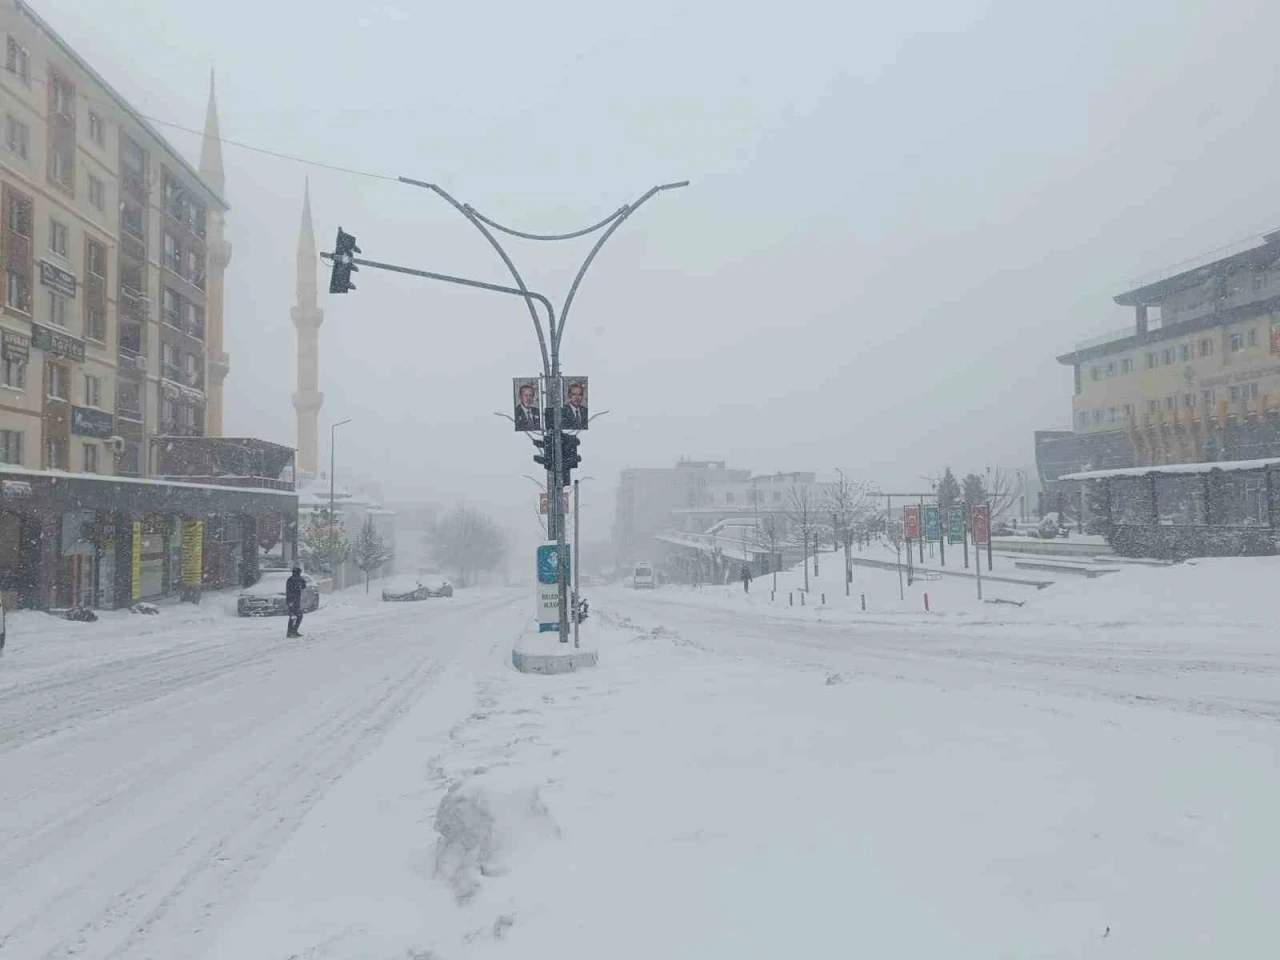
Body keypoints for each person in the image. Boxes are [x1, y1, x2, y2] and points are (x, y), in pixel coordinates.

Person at [285, 565, 305, 638]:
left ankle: (292, 631)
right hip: (292, 601)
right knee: (296, 616)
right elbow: (291, 591)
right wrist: (291, 602)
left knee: (294, 616)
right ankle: (292, 631)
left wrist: (302, 581)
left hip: (294, 600)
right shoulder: (293, 580)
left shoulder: (293, 579)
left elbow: (303, 587)